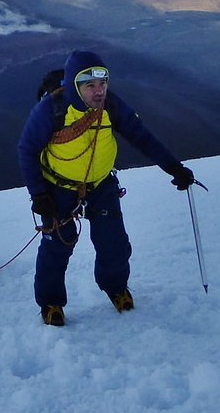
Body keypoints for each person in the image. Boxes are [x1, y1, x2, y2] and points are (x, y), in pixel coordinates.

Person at [18, 50, 197, 327]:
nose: (99, 91)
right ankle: (51, 303)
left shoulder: (110, 105)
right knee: (57, 246)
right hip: (58, 188)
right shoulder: (52, 110)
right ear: (74, 85)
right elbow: (27, 149)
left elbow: (141, 136)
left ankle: (116, 287)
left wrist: (174, 167)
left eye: (102, 83)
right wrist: (39, 194)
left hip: (101, 185)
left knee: (113, 243)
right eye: (90, 85)